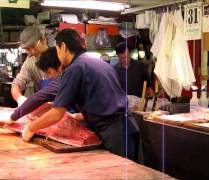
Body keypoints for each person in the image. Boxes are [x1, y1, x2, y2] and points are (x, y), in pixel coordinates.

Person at [20, 28, 139, 161]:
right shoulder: (98, 63)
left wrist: (30, 128)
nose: (58, 55)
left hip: (114, 134)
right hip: (126, 128)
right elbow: (105, 99)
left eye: (58, 50)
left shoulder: (75, 68)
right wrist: (80, 115)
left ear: (63, 47)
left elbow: (55, 115)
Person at [11, 26, 48, 107]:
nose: (32, 52)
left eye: (34, 46)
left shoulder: (59, 56)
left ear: (43, 39)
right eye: (28, 49)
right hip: (43, 109)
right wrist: (20, 98)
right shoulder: (30, 61)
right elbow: (17, 83)